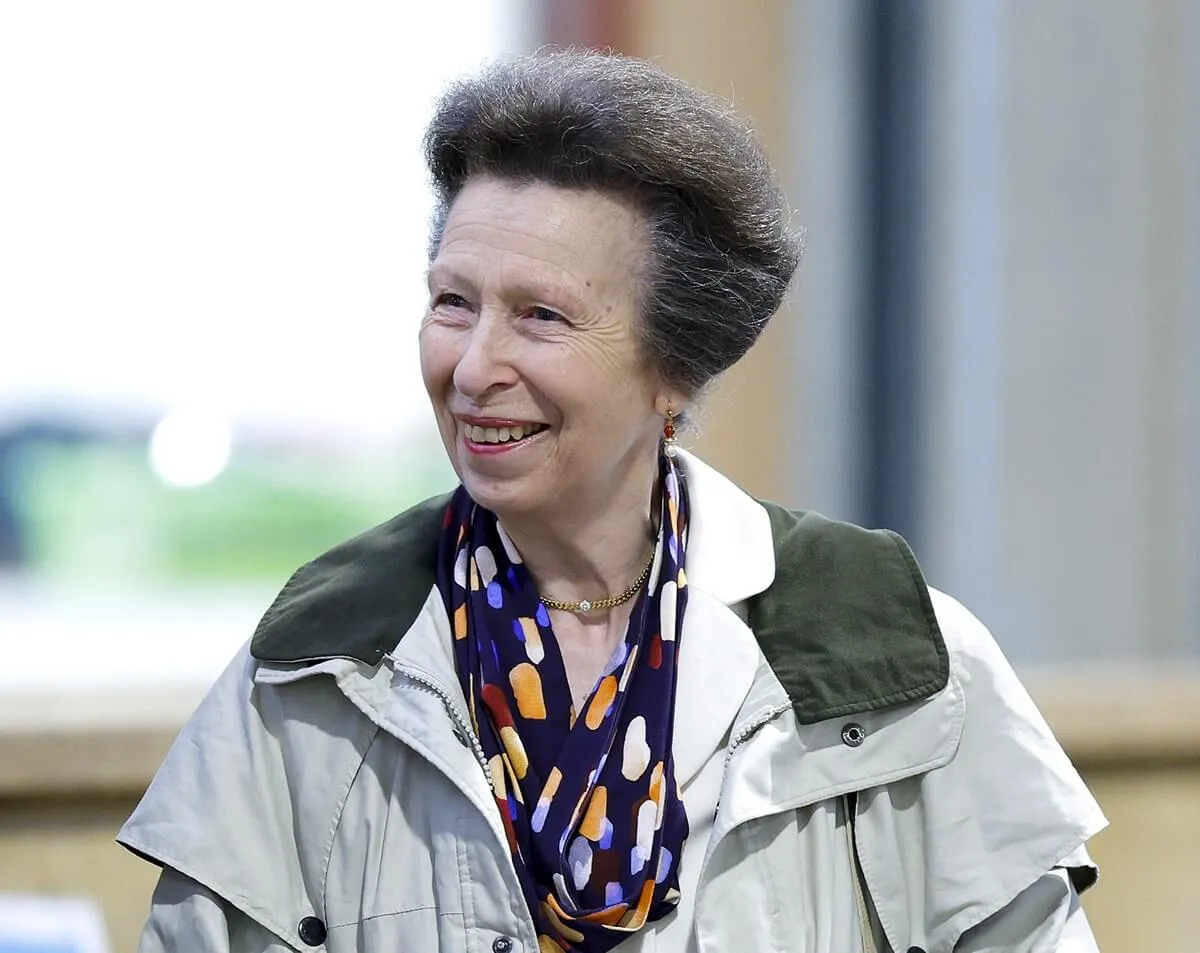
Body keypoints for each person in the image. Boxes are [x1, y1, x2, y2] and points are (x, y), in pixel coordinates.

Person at [119, 49, 1106, 952]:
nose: (472, 366)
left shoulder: (900, 654)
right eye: (453, 301)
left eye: (540, 316)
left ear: (673, 368)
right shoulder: (313, 668)